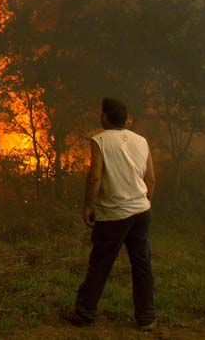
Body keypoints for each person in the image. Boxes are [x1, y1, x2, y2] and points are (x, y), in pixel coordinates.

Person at [62, 98, 156, 330]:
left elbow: (94, 177)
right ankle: (146, 318)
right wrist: (142, 202)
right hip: (141, 212)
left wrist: (88, 206)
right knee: (142, 263)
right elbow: (151, 178)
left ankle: (85, 313)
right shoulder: (141, 141)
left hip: (114, 214)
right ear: (126, 119)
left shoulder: (100, 140)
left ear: (105, 117)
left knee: (101, 263)